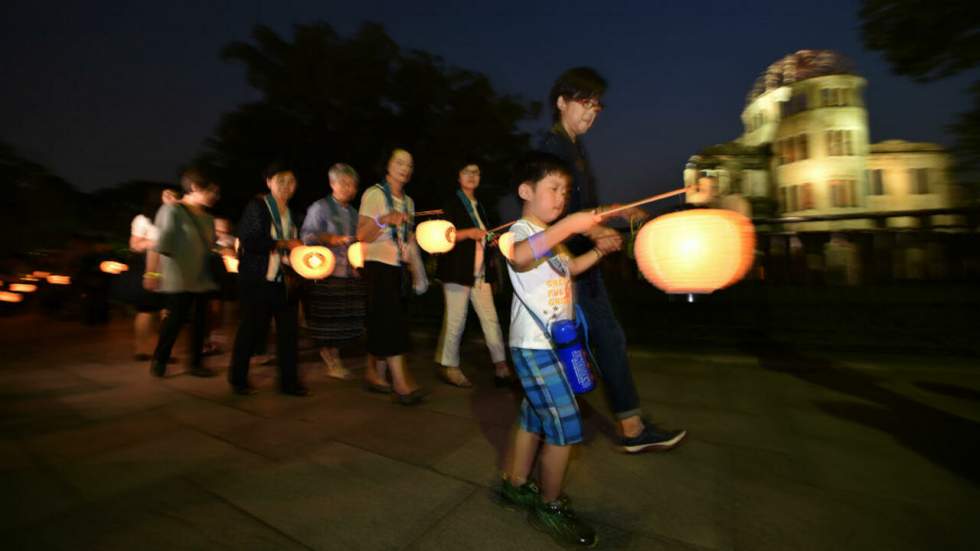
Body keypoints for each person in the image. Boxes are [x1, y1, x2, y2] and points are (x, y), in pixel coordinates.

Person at [539, 67, 686, 453]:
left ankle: (614, 421)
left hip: (582, 260)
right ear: (561, 102)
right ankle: (628, 426)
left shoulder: (574, 148)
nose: (591, 113)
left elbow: (584, 208)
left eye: (596, 106)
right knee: (600, 338)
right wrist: (594, 232)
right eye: (583, 103)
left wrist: (618, 211)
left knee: (588, 341)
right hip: (566, 263)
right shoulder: (552, 148)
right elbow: (555, 210)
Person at [497, 152, 612, 547]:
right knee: (564, 426)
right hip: (533, 346)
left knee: (533, 416)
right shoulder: (515, 233)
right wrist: (568, 225)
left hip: (556, 346)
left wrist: (600, 251)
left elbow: (569, 269)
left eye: (565, 190)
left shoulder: (553, 238)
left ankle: (514, 483)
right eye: (553, 188)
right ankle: (549, 506)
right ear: (526, 191)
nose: (561, 197)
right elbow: (522, 255)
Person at [228, 162, 308, 396]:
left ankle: (289, 382)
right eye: (281, 181)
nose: (287, 186)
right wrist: (283, 243)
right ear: (269, 182)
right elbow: (250, 241)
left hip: (285, 280)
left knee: (288, 333)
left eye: (291, 182)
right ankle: (238, 379)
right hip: (257, 279)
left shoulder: (293, 213)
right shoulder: (258, 206)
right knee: (250, 329)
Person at [433, 160, 510, 388]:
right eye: (467, 171)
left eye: (476, 172)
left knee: (491, 319)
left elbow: (484, 236)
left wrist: (490, 238)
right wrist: (469, 233)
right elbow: (442, 235)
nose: (472, 176)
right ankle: (450, 366)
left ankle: (501, 365)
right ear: (458, 176)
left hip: (480, 273)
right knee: (456, 320)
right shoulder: (452, 202)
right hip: (458, 270)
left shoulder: (480, 206)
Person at [356, 149, 424, 404]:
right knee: (392, 321)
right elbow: (361, 235)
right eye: (399, 162)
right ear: (387, 165)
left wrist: (415, 264)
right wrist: (383, 220)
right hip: (377, 265)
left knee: (384, 320)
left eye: (409, 164)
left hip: (398, 267)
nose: (405, 168)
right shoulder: (374, 194)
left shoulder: (408, 202)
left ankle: (372, 372)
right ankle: (401, 382)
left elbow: (409, 237)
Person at [145, 169, 220, 378]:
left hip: (202, 277)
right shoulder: (172, 211)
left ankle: (196, 363)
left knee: (200, 322)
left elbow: (210, 247)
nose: (215, 196)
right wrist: (151, 274)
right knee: (175, 320)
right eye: (211, 191)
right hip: (178, 277)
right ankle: (160, 359)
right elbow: (158, 246)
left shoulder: (207, 218)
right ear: (195, 188)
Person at [301, 163, 367, 381]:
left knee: (342, 319)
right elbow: (307, 236)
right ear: (332, 183)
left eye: (353, 185)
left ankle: (334, 356)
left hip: (350, 272)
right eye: (344, 183)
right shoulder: (320, 208)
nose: (349, 188)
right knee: (328, 320)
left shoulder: (355, 213)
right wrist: (330, 238)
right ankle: (331, 360)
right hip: (327, 271)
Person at [129, 186, 179, 361]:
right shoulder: (143, 220)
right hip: (150, 267)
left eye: (174, 195)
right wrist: (155, 242)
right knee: (146, 309)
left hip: (173, 268)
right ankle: (141, 349)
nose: (173, 199)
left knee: (168, 311)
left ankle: (165, 351)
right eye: (168, 195)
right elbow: (134, 245)